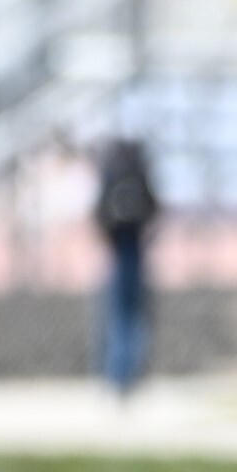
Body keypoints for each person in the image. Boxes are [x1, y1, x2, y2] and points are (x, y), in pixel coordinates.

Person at [88, 133, 161, 398]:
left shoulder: (112, 170)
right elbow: (154, 208)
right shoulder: (138, 170)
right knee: (134, 315)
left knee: (117, 314)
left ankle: (118, 376)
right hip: (134, 249)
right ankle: (132, 374)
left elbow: (98, 212)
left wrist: (106, 237)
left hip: (118, 248)